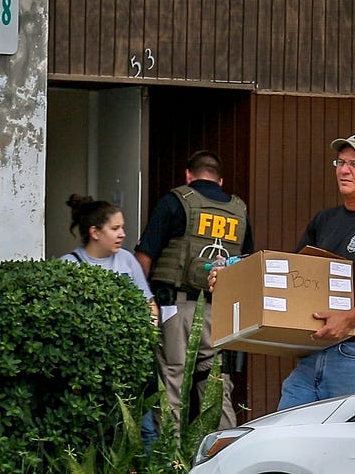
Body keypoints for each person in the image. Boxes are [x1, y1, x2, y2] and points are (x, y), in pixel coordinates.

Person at [209, 134, 355, 410]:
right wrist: (230, 277)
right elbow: (292, 276)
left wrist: (348, 318)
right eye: (340, 162)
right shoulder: (324, 220)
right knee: (287, 436)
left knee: (347, 448)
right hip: (311, 353)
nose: (344, 170)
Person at [135, 150, 254, 431]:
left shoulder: (175, 202)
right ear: (220, 180)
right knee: (216, 383)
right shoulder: (239, 211)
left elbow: (144, 258)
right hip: (220, 312)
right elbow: (248, 263)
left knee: (171, 383)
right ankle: (225, 454)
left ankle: (169, 460)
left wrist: (145, 301)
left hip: (175, 308)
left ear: (189, 175)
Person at [59, 193, 159, 450]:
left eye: (122, 227)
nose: (122, 234)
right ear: (95, 232)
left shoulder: (126, 260)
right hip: (92, 367)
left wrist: (149, 335)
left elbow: (149, 304)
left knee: (144, 427)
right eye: (115, 228)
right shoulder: (70, 266)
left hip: (132, 362)